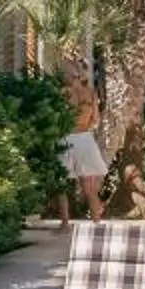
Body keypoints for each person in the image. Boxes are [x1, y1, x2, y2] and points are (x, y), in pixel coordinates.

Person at [60, 63, 109, 220]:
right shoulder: (90, 93)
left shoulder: (62, 93)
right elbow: (95, 120)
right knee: (89, 186)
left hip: (66, 137)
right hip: (85, 138)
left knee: (61, 184)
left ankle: (65, 223)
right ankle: (96, 220)